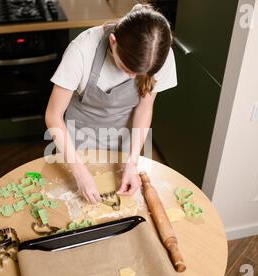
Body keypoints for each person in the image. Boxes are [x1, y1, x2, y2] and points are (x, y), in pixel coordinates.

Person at [45, 4, 177, 204]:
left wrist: (131, 163)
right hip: (76, 142)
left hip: (124, 143)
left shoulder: (159, 55)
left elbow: (144, 108)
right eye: (126, 68)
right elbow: (53, 116)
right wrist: (79, 171)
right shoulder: (82, 50)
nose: (132, 77)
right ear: (113, 41)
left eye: (139, 74)